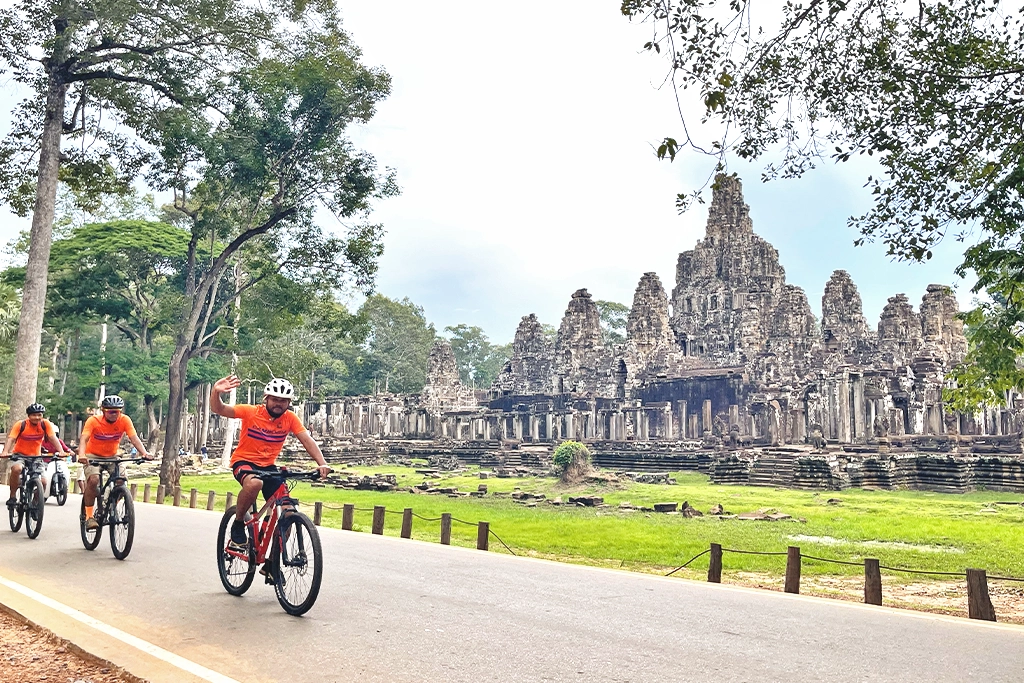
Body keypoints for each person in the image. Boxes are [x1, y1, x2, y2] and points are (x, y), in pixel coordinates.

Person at [209, 374, 330, 551]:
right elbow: (220, 409)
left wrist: (322, 463)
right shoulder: (251, 412)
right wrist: (216, 393)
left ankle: (272, 563)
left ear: (289, 403)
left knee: (288, 513)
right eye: (274, 399)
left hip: (269, 467)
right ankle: (238, 522)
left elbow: (307, 440)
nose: (278, 404)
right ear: (266, 398)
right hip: (244, 462)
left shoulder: (290, 418)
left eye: (283, 400)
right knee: (255, 483)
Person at [79, 395, 153, 530]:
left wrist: (144, 453)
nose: (114, 414)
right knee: (94, 480)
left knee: (121, 480)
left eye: (117, 411)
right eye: (110, 411)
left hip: (113, 456)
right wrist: (82, 455)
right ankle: (89, 517)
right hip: (92, 456)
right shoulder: (93, 421)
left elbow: (134, 438)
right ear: (103, 410)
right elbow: (84, 439)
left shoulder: (125, 420)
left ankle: (110, 503)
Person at [2, 404, 64, 508]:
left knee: (43, 482)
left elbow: (53, 438)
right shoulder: (21, 425)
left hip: (36, 457)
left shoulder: (45, 424)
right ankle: (12, 496)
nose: (37, 417)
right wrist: (5, 451)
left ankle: (35, 505)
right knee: (16, 469)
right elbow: (11, 439)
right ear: (28, 416)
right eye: (34, 415)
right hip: (20, 455)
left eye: (39, 415)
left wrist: (61, 451)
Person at [42, 424, 74, 497]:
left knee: (65, 470)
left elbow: (66, 448)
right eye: (50, 434)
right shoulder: (43, 442)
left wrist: (70, 452)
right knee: (44, 474)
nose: (52, 436)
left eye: (54, 434)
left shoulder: (59, 441)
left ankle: (64, 485)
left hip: (57, 461)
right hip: (45, 462)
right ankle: (43, 491)